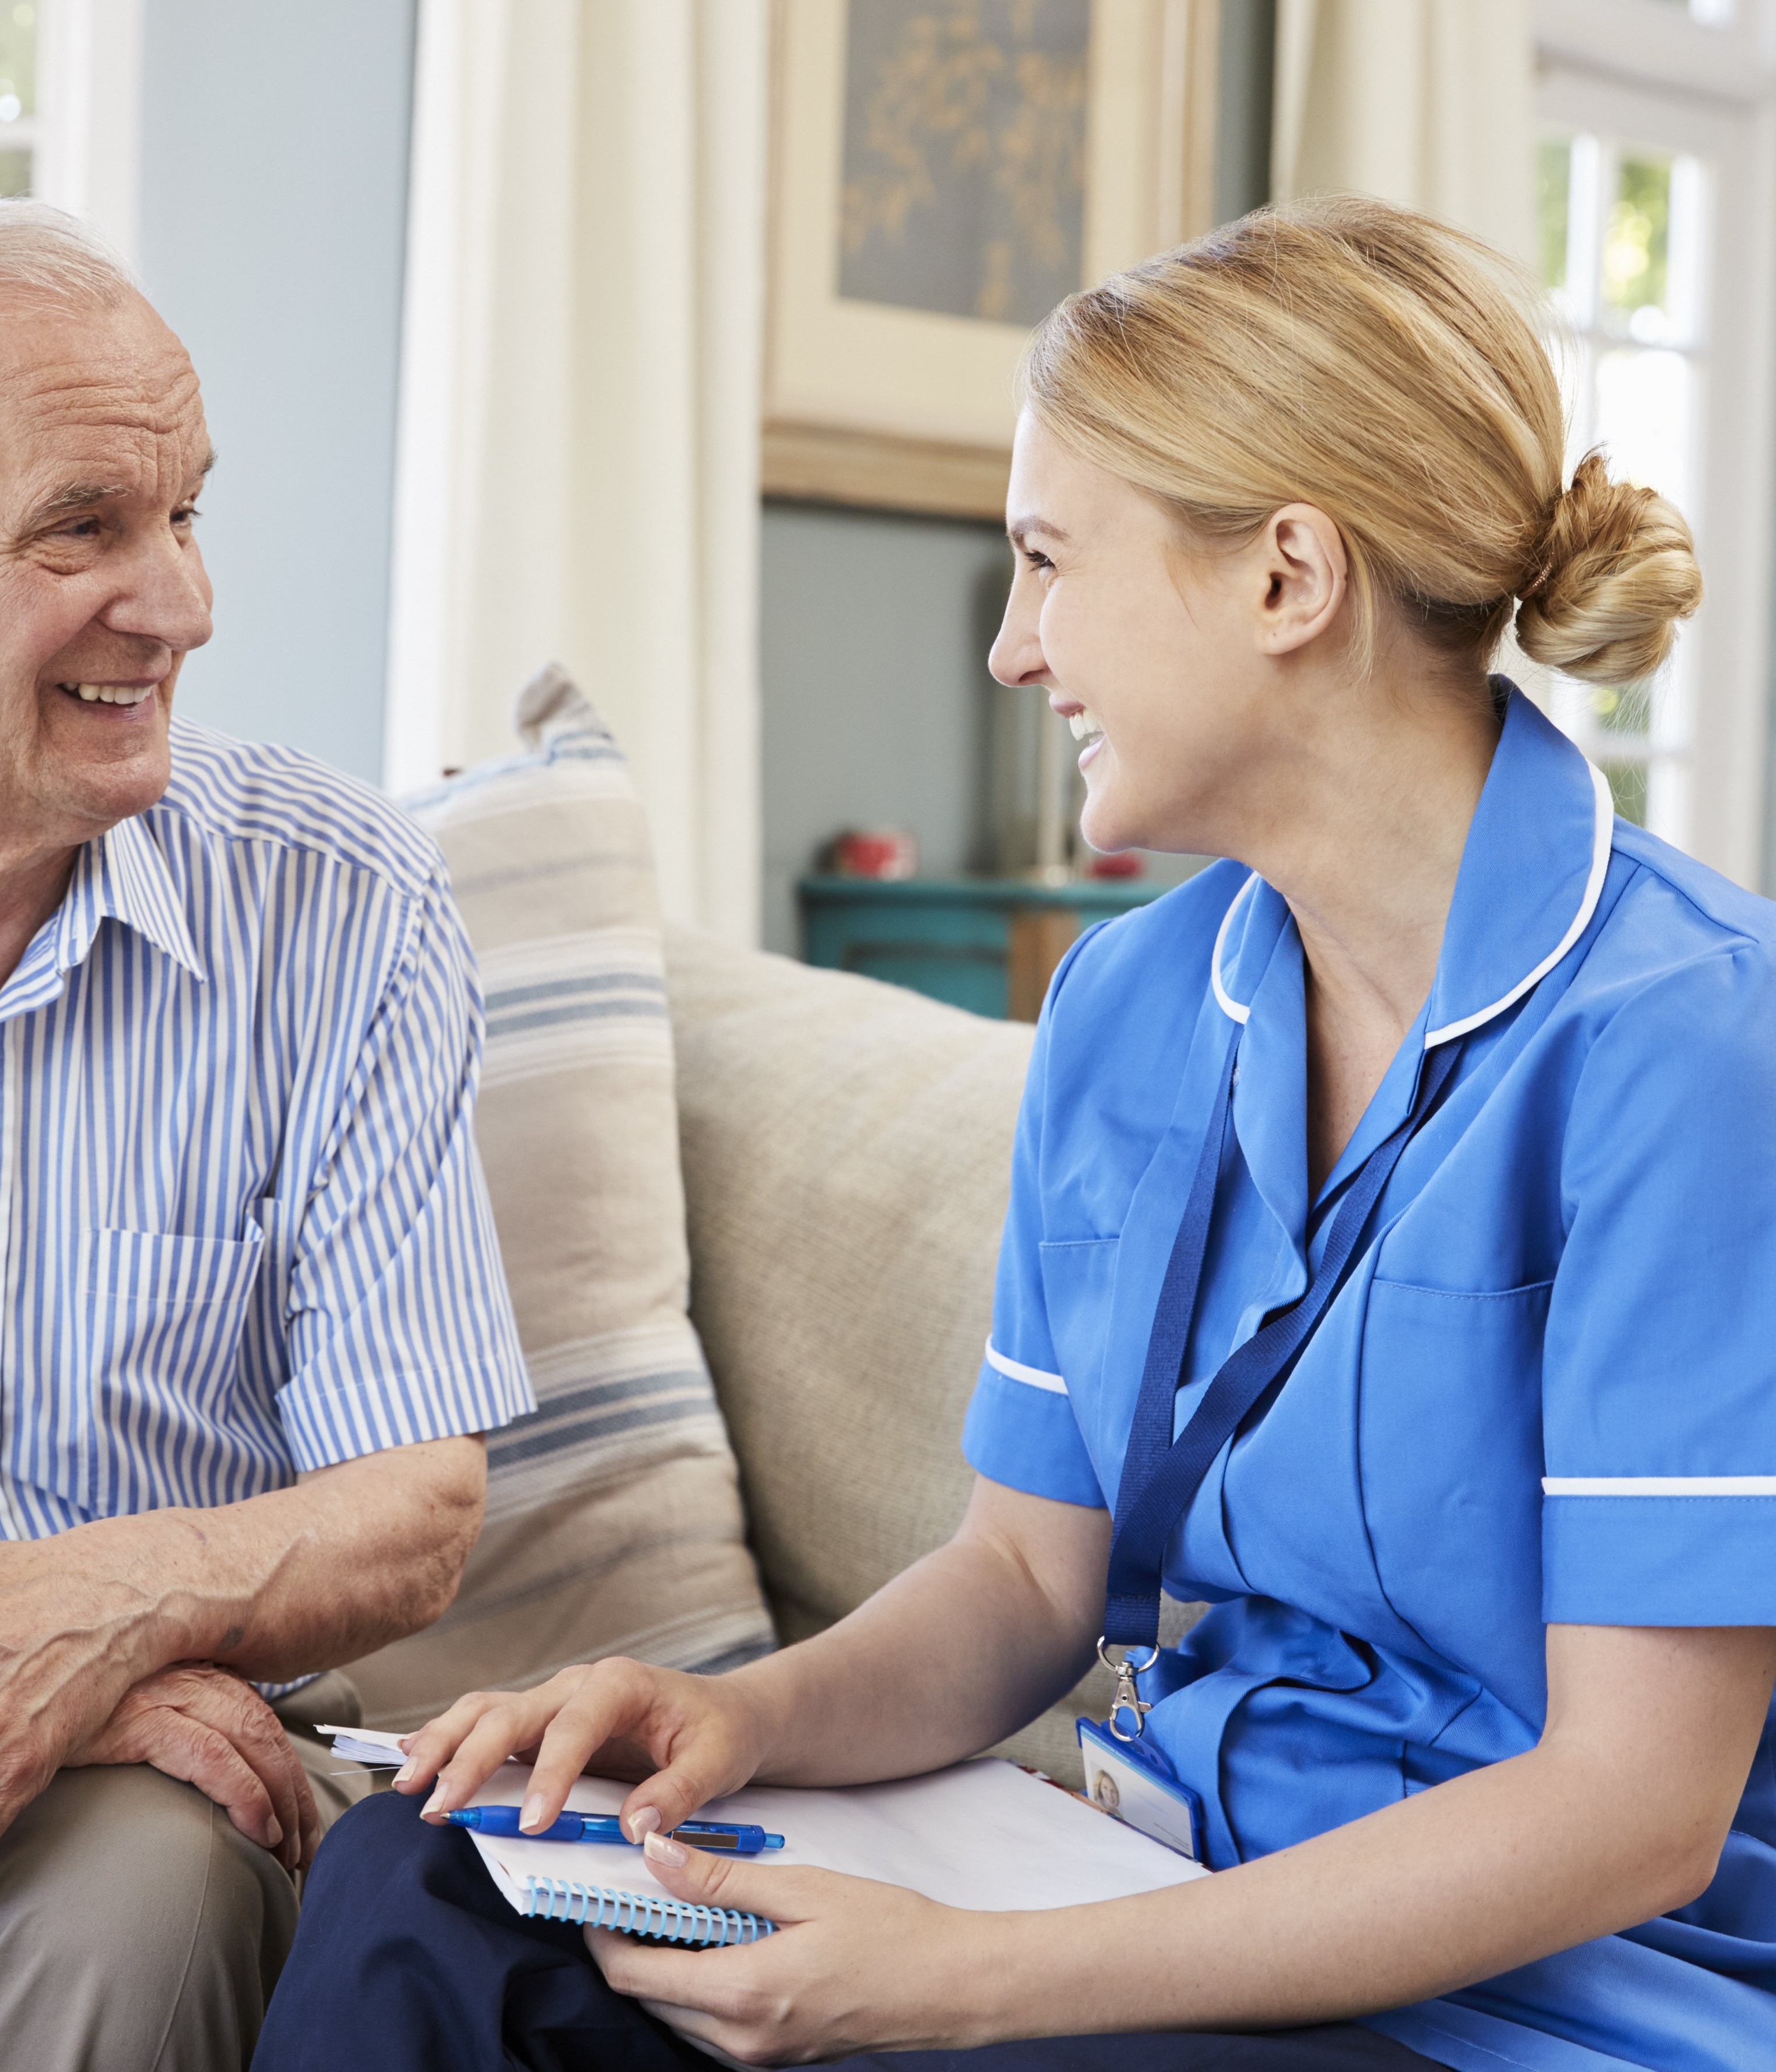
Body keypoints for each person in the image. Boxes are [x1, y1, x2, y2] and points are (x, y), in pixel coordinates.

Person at [253, 198, 1776, 2072]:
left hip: (1503, 2011)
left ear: (1288, 577)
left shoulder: (1692, 1045)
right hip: (1122, 1890)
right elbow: (1028, 1580)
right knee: (433, 1880)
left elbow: (1635, 1812)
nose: (1012, 648)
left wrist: (953, 1978)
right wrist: (728, 1716)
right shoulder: (1136, 1008)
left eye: (1051, 562)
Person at [0, 201, 533, 2070]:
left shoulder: (332, 901)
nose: (180, 601)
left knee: (142, 1886)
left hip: (149, 1807)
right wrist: (7, 1677)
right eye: (86, 525)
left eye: (185, 516)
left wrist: (107, 1610)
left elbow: (413, 1505)